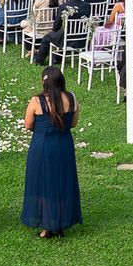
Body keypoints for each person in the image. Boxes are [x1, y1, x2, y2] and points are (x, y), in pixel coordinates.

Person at [22, 66, 82, 238]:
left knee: (42, 182)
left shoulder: (36, 101)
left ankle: (47, 225)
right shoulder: (72, 99)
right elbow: (73, 123)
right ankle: (60, 223)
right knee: (62, 181)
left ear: (44, 82)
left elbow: (28, 124)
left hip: (42, 147)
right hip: (63, 145)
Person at [32, 0, 90, 65]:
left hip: (67, 39)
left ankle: (38, 60)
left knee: (47, 38)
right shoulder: (87, 5)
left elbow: (56, 26)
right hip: (82, 38)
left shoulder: (64, 7)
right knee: (56, 35)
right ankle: (56, 58)